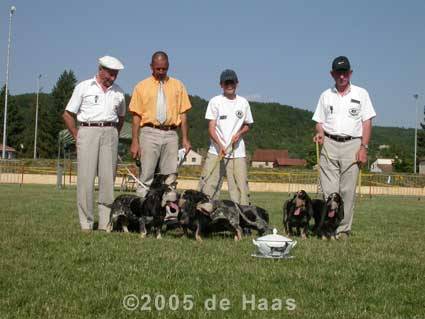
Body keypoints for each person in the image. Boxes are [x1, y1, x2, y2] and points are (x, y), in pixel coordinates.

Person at [312, 56, 376, 239]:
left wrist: (364, 147)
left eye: (345, 72)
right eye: (338, 73)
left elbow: (367, 122)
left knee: (347, 192)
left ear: (351, 73)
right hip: (329, 145)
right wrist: (321, 133)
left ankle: (343, 230)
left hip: (353, 145)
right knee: (329, 192)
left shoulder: (361, 94)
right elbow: (319, 122)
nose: (342, 76)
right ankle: (328, 227)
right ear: (332, 74)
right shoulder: (325, 95)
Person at [63, 56, 126, 231]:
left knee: (107, 180)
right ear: (101, 70)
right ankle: (86, 223)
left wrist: (114, 134)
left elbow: (121, 117)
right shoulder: (83, 87)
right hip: (87, 132)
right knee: (86, 180)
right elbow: (68, 114)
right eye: (110, 74)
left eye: (116, 75)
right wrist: (77, 136)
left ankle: (105, 223)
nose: (112, 78)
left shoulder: (119, 92)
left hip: (110, 133)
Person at [129, 51, 192, 197]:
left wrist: (185, 138)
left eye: (164, 68)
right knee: (146, 175)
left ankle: (169, 215)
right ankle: (141, 212)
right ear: (151, 66)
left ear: (168, 66)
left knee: (170, 177)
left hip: (171, 134)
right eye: (158, 69)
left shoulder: (178, 85)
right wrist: (134, 141)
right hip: (149, 132)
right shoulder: (141, 86)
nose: (161, 72)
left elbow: (183, 114)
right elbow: (136, 117)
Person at [198, 69, 253, 205]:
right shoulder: (215, 102)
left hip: (237, 153)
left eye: (232, 82)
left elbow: (247, 125)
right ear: (221, 84)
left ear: (237, 83)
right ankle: (205, 213)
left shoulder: (243, 102)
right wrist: (220, 145)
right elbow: (211, 128)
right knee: (210, 184)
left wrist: (239, 134)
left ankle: (242, 215)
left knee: (240, 188)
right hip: (216, 152)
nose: (229, 85)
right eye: (226, 83)